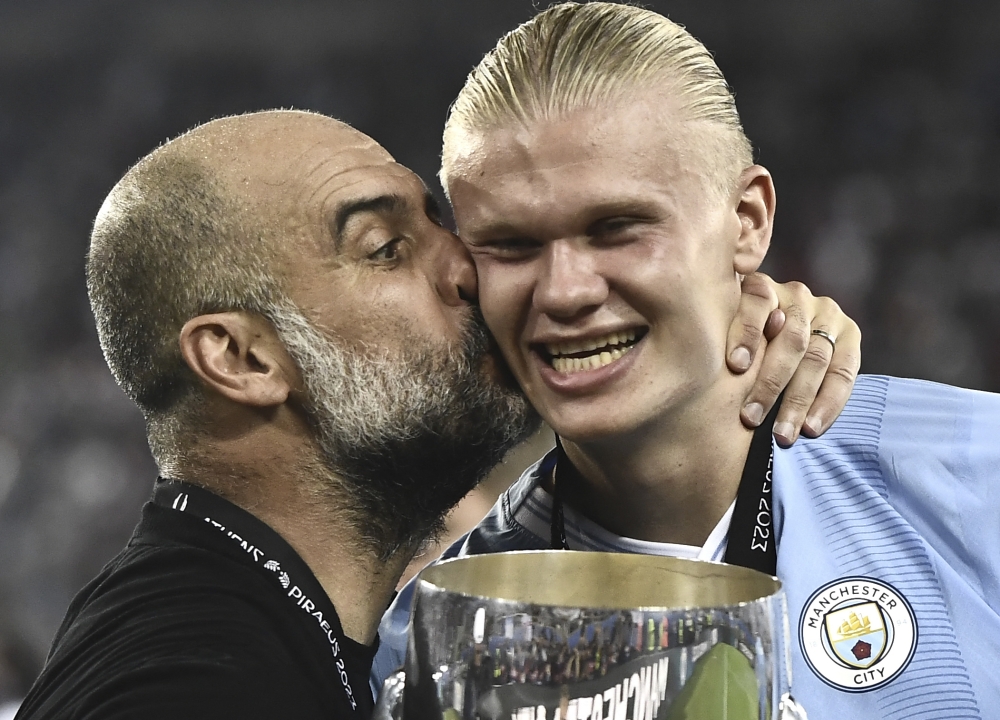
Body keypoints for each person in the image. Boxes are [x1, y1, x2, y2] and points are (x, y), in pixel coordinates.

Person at [15, 108, 854, 719]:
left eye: (442, 224)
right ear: (244, 360)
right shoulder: (194, 684)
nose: (468, 269)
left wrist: (715, 325)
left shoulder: (266, 625)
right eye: (386, 249)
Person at [373, 4, 1000, 719]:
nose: (566, 290)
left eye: (617, 228)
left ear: (748, 222)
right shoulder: (438, 639)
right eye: (511, 246)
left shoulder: (978, 478)